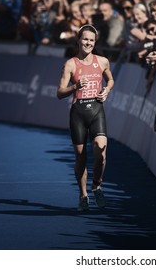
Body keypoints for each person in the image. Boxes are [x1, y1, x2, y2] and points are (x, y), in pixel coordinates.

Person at [57, 25, 114, 211]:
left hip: (97, 111)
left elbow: (110, 80)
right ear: (78, 40)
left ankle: (97, 185)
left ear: (95, 42)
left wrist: (106, 90)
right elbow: (59, 92)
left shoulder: (103, 61)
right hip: (78, 113)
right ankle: (83, 195)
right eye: (85, 39)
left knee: (101, 154)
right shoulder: (71, 64)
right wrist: (76, 86)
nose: (88, 43)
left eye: (91, 40)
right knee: (81, 158)